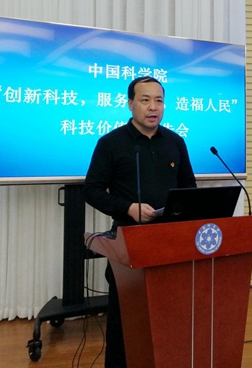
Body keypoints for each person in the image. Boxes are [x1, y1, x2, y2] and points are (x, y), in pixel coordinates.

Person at [84, 76, 197, 367]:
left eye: (158, 100)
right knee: (126, 318)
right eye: (145, 100)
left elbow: (189, 188)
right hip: (129, 240)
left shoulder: (175, 142)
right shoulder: (111, 143)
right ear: (130, 104)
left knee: (170, 314)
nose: (153, 107)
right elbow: (92, 190)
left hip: (170, 242)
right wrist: (128, 208)